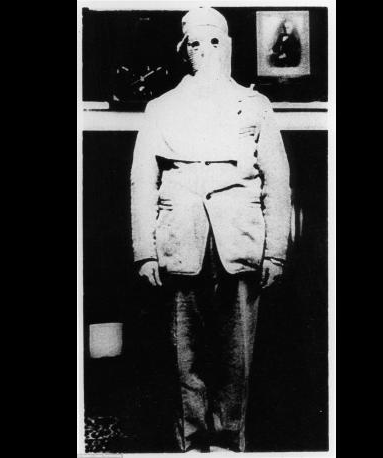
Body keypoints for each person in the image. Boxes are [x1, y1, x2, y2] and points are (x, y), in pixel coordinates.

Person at [130, 6, 291, 453]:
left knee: (237, 356)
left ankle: (228, 443)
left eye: (214, 41)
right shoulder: (161, 108)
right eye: (196, 44)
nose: (205, 51)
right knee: (184, 354)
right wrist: (145, 251)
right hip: (180, 239)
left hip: (239, 241)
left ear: (228, 47)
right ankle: (191, 442)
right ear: (185, 51)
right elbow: (142, 181)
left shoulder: (255, 106)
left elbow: (277, 181)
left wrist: (275, 251)